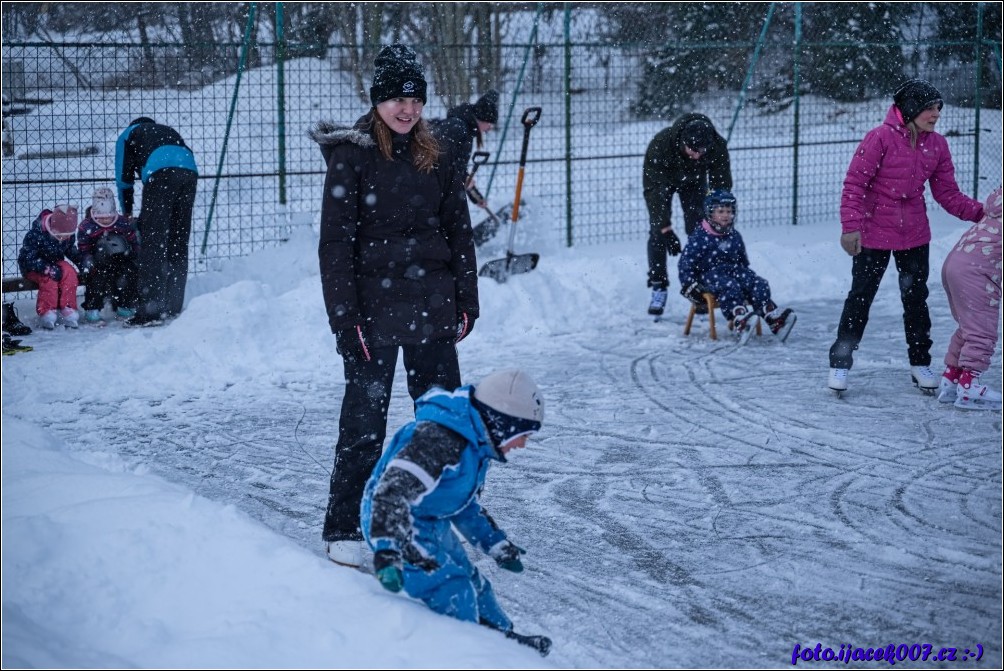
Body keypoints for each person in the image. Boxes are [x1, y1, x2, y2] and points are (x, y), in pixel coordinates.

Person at [308, 43, 480, 568]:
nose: (407, 109)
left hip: (431, 304)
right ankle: (344, 527)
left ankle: (432, 519)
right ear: (377, 102)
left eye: (415, 99)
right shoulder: (351, 156)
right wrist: (345, 320)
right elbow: (335, 245)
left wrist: (466, 299)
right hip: (372, 313)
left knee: (442, 423)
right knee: (363, 426)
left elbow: (458, 228)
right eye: (396, 100)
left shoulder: (438, 154)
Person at [361, 369, 551, 656]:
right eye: (522, 434)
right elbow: (391, 493)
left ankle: (502, 643)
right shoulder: (438, 440)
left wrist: (495, 543)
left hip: (428, 519)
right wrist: (388, 550)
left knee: (474, 583)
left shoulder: (475, 445)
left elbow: (463, 507)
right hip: (395, 521)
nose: (523, 444)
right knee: (454, 589)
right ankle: (467, 655)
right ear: (501, 423)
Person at [827, 79, 985, 394]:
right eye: (929, 108)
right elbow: (854, 185)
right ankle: (840, 364)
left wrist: (984, 213)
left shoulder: (937, 145)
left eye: (938, 107)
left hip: (913, 233)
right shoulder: (879, 138)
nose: (936, 114)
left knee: (916, 301)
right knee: (860, 298)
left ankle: (919, 363)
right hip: (873, 233)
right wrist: (850, 227)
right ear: (911, 109)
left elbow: (948, 194)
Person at [643, 113, 732, 317]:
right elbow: (653, 193)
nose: (697, 156)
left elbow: (721, 185)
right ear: (683, 142)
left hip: (694, 182)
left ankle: (700, 287)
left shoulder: (715, 145)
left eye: (702, 151)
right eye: (693, 150)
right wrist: (665, 228)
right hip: (663, 181)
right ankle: (658, 285)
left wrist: (719, 216)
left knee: (700, 230)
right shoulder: (661, 145)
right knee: (658, 232)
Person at [678, 190, 796, 344]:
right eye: (720, 211)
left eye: (729, 211)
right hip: (709, 277)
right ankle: (739, 318)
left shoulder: (734, 236)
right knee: (730, 286)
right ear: (710, 213)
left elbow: (742, 263)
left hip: (734, 272)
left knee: (758, 282)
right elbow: (685, 263)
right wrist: (689, 284)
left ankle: (772, 317)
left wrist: (747, 278)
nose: (726, 215)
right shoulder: (699, 237)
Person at [115, 116, 198, 326]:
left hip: (162, 172)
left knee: (153, 242)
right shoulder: (164, 130)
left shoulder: (127, 135)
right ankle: (172, 306)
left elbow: (123, 180)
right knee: (178, 240)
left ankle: (150, 311)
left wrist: (127, 212)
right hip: (189, 169)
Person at [937, 185, 1002, 410]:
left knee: (969, 326)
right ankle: (969, 386)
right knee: (982, 329)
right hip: (976, 272)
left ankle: (952, 378)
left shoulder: (996, 208)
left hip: (955, 264)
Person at [76, 187, 141, 324]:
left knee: (128, 274)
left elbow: (132, 240)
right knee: (96, 279)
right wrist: (87, 259)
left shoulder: (122, 223)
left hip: (121, 258)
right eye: (101, 218)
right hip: (98, 260)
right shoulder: (87, 226)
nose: (105, 220)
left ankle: (124, 306)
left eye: (108, 217)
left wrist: (136, 254)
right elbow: (83, 247)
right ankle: (92, 308)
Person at [17, 204, 83, 329]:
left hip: (55, 262)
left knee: (70, 273)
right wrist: (45, 268)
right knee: (50, 278)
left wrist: (82, 262)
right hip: (33, 266)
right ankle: (47, 312)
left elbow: (69, 250)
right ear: (53, 229)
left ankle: (68, 308)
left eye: (68, 235)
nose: (65, 238)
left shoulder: (67, 234)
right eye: (62, 235)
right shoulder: (36, 235)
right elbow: (27, 259)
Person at [431, 89, 499, 207]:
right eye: (490, 124)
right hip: (432, 185)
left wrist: (475, 196)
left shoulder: (466, 129)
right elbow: (441, 158)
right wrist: (464, 178)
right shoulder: (457, 127)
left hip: (440, 186)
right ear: (481, 119)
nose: (490, 128)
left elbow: (457, 165)